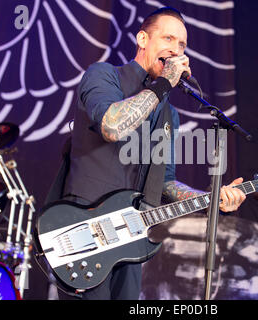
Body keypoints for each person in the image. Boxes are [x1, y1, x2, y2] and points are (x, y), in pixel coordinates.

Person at [58, 7, 246, 300]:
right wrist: (162, 85)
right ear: (143, 39)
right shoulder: (104, 74)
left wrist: (212, 198)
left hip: (130, 236)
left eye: (182, 44)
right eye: (168, 38)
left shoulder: (168, 113)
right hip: (85, 230)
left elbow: (167, 183)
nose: (175, 49)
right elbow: (112, 126)